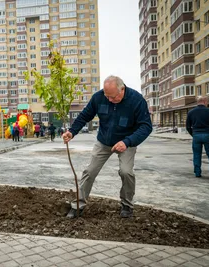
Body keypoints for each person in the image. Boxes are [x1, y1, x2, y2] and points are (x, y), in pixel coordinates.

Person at [62, 75, 152, 219]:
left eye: (113, 97)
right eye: (107, 96)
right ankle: (78, 205)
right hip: (104, 141)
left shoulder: (136, 100)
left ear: (122, 89)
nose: (109, 100)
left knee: (126, 172)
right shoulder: (99, 97)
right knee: (89, 171)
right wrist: (72, 132)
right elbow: (85, 116)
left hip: (126, 141)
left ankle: (127, 205)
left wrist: (127, 142)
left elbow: (146, 127)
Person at [186, 96, 209, 181]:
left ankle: (197, 173)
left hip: (196, 135)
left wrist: (193, 134)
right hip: (208, 134)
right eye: (207, 101)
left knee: (197, 154)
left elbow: (188, 126)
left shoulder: (191, 112)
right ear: (204, 101)